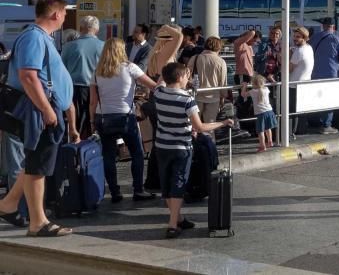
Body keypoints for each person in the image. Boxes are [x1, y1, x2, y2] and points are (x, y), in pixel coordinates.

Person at [0, 0, 79, 238]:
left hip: (44, 109)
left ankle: (9, 204)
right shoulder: (34, 37)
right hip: (39, 110)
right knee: (38, 166)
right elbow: (28, 76)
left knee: (37, 163)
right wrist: (46, 109)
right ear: (55, 14)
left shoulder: (39, 37)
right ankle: (38, 221)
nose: (65, 16)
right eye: (64, 12)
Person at [151, 62, 233, 238]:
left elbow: (161, 80)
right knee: (178, 183)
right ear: (180, 78)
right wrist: (223, 123)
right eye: (186, 75)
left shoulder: (158, 93)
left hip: (162, 146)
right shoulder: (187, 100)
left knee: (166, 182)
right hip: (181, 147)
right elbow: (200, 126)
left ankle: (178, 217)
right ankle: (172, 224)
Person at [89, 37, 158, 203]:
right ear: (122, 51)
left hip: (103, 117)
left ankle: (114, 192)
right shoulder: (130, 68)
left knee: (108, 155)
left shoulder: (98, 71)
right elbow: (153, 86)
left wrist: (92, 122)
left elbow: (93, 101)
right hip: (126, 116)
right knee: (137, 153)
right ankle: (138, 190)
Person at [60, 14, 103, 137]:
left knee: (76, 124)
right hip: (99, 89)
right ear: (97, 29)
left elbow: (62, 71)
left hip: (75, 90)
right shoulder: (104, 46)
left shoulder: (68, 46)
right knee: (96, 122)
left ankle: (77, 150)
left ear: (80, 28)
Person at [310, 18, 339, 134]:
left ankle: (316, 122)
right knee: (329, 99)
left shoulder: (314, 38)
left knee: (317, 98)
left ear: (323, 26)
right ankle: (326, 125)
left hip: (315, 73)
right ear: (333, 27)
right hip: (331, 73)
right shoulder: (337, 39)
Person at [188, 36, 228, 135]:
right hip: (213, 97)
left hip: (195, 95)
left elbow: (187, 77)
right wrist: (223, 96)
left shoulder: (195, 58)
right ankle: (209, 147)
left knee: (193, 126)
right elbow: (223, 83)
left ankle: (193, 147)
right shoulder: (221, 61)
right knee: (210, 126)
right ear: (218, 47)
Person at [288, 27, 314, 136]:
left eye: (298, 37)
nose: (295, 39)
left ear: (305, 38)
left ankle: (291, 132)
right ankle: (301, 130)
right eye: (294, 36)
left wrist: (284, 57)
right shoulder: (309, 48)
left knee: (292, 111)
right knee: (302, 110)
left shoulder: (298, 51)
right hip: (305, 83)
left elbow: (288, 69)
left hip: (295, 85)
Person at [241, 74, 276, 153]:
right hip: (269, 111)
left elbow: (243, 94)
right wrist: (271, 79)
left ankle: (262, 146)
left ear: (253, 84)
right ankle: (270, 141)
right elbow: (274, 84)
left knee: (260, 131)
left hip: (261, 114)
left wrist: (244, 86)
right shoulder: (266, 89)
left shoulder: (253, 91)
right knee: (268, 128)